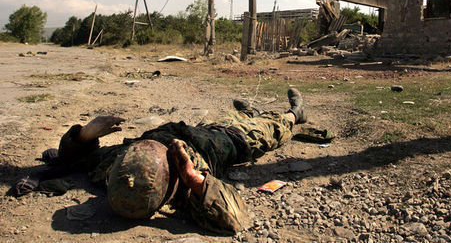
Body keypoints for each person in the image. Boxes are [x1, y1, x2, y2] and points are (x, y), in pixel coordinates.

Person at [32, 88, 308, 235]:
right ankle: (295, 113)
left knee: (230, 117)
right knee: (270, 128)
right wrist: (192, 176)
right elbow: (233, 219)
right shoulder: (182, 191)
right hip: (234, 140)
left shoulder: (117, 167)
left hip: (200, 129)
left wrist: (84, 134)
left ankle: (248, 112)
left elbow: (74, 158)